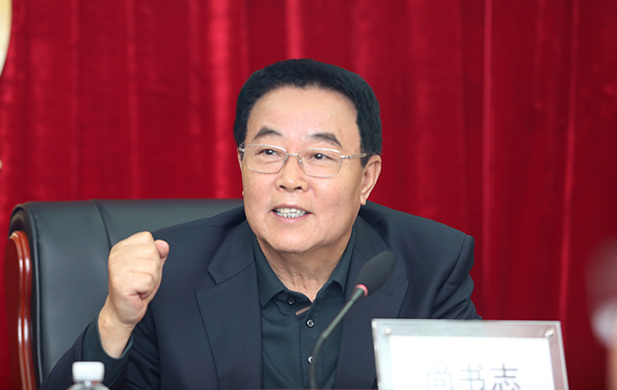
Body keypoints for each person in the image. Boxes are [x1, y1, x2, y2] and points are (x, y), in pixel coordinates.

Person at [42, 59, 479, 390]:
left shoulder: (431, 266)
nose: (290, 179)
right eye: (268, 153)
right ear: (241, 164)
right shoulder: (169, 274)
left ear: (366, 178)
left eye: (319, 156)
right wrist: (115, 321)